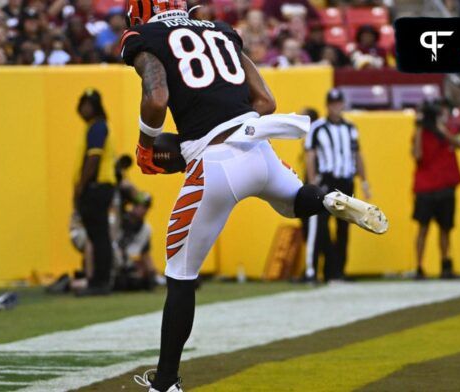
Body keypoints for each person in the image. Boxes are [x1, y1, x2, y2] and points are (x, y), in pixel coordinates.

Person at [120, 4, 388, 391]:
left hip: (214, 162)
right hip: (258, 144)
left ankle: (165, 383)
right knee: (293, 200)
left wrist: (148, 145)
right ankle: (327, 199)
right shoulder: (220, 30)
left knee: (181, 276)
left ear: (139, 15)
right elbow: (266, 101)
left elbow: (158, 97)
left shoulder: (146, 38)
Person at [303, 89, 372, 282]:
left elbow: (357, 154)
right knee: (321, 226)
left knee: (344, 228)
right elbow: (310, 155)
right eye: (332, 104)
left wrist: (364, 180)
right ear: (327, 105)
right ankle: (316, 269)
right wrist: (312, 180)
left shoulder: (351, 128)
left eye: (338, 103)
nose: (335, 107)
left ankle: (338, 272)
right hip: (327, 180)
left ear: (342, 104)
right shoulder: (318, 128)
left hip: (346, 181)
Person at [412, 99, 460, 280]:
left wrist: (440, 129)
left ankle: (446, 264)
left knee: (445, 229)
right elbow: (417, 155)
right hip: (426, 188)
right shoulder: (421, 133)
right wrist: (419, 127)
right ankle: (419, 267)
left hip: (444, 187)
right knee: (423, 229)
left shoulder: (446, 131)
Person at [73, 88, 117, 296]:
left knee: (99, 236)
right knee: (98, 235)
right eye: (83, 103)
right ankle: (100, 279)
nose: (84, 108)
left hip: (96, 187)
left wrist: (81, 185)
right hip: (99, 187)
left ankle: (100, 281)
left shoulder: (98, 127)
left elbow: (93, 159)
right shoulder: (96, 127)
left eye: (88, 104)